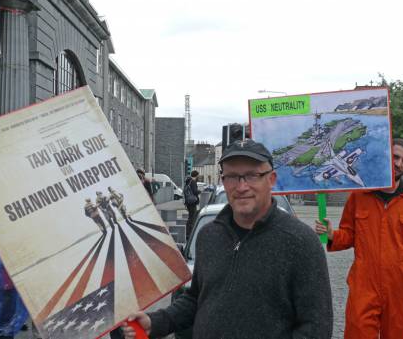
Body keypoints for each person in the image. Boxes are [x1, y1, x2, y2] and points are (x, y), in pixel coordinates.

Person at [122, 139, 333, 339]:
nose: (241, 187)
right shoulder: (208, 236)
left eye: (252, 175)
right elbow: (196, 298)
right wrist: (154, 322)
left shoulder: (301, 243)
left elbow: (315, 328)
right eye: (232, 176)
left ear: (272, 180)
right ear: (223, 181)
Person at [315, 138, 403, 339]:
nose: (399, 164)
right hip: (364, 285)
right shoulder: (359, 196)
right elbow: (348, 236)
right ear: (385, 156)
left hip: (402, 288)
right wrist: (331, 235)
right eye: (395, 157)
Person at [184, 170, 200, 239]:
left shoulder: (188, 181)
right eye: (198, 175)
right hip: (192, 202)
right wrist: (200, 191)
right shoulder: (193, 182)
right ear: (196, 175)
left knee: (191, 217)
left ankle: (188, 233)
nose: (198, 177)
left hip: (188, 202)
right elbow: (195, 191)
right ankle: (189, 234)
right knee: (192, 218)